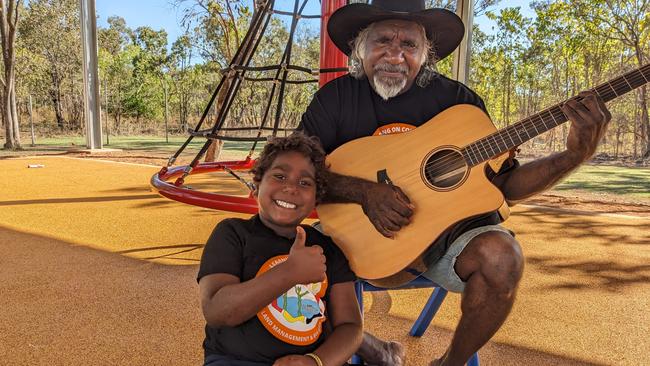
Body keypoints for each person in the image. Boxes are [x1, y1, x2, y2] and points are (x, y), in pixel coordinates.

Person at [298, 1, 612, 365]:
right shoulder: (335, 99)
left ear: (426, 53)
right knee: (275, 253)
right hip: (355, 240)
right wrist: (365, 192)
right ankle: (366, 345)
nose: (395, 55)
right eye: (382, 41)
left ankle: (451, 362)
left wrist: (572, 156)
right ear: (360, 49)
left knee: (503, 258)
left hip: (449, 241)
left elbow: (505, 186)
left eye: (409, 45)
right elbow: (296, 170)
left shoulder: (460, 103)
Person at [197, 133, 363, 366]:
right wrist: (290, 273)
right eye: (280, 176)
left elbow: (351, 326)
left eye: (305, 183)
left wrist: (316, 361)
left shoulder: (327, 247)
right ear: (256, 185)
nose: (291, 188)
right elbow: (217, 311)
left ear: (317, 198)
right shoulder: (233, 234)